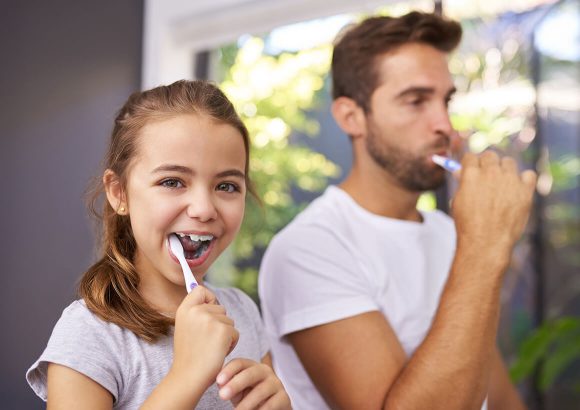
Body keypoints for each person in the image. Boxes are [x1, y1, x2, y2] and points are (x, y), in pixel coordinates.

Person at [258, 12, 535, 410]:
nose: (444, 125)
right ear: (351, 117)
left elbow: (499, 398)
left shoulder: (450, 232)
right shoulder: (310, 249)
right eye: (416, 101)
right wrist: (485, 246)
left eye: (446, 101)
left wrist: (478, 241)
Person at [27, 80, 291, 409]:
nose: (205, 209)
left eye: (226, 185)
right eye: (172, 182)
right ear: (119, 193)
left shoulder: (243, 313)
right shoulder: (89, 336)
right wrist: (187, 376)